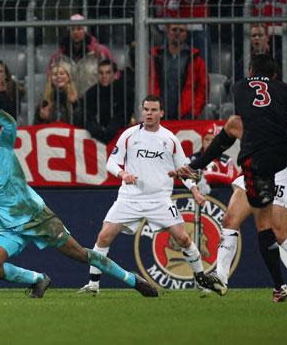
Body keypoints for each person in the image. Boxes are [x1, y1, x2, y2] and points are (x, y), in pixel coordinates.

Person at [0, 90, 159, 299]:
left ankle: (133, 280)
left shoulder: (1, 144)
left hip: (36, 215)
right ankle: (38, 279)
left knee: (81, 255)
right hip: (7, 224)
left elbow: (9, 122)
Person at [174, 54, 287, 301]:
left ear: (251, 72)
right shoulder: (284, 95)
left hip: (278, 170)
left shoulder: (264, 97)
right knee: (230, 220)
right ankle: (222, 278)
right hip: (256, 166)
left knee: (278, 232)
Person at [77, 95, 224, 296]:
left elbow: (183, 171)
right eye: (146, 109)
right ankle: (93, 285)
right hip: (130, 198)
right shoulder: (129, 135)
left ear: (161, 113)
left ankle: (201, 280)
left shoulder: (170, 139)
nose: (149, 113)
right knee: (104, 236)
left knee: (182, 238)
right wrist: (123, 173)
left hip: (159, 200)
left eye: (153, 110)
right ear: (142, 111)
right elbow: (111, 163)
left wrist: (195, 191)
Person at [148, 24, 208, 120]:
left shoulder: (196, 59)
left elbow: (202, 88)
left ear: (186, 34)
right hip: (158, 114)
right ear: (167, 32)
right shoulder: (155, 57)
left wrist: (193, 111)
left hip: (186, 116)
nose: (178, 33)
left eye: (181, 30)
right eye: (174, 30)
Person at [48, 14, 115, 96]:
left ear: (85, 31)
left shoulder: (100, 51)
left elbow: (114, 73)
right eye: (72, 29)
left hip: (94, 100)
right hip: (68, 102)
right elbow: (50, 79)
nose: (76, 32)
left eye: (79, 29)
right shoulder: (58, 56)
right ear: (69, 32)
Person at [82, 60, 133, 144]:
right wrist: (97, 131)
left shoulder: (125, 91)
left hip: (119, 134)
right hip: (98, 136)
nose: (104, 76)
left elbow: (125, 114)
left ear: (115, 74)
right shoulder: (91, 92)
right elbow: (88, 115)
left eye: (108, 72)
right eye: (101, 73)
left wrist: (112, 128)